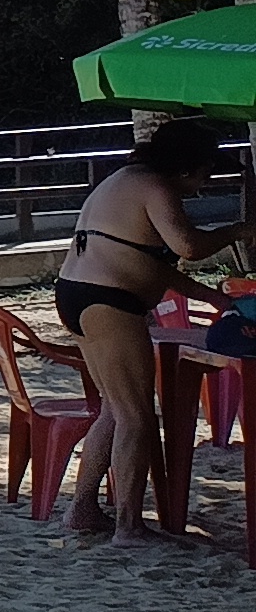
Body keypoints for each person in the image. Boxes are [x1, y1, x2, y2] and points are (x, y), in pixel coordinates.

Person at [56, 117, 236, 543]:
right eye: (207, 171)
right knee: (137, 415)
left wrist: (210, 297)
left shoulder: (125, 179)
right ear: (190, 166)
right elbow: (186, 247)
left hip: (78, 293)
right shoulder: (157, 187)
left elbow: (142, 258)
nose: (206, 182)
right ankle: (129, 526)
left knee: (115, 409)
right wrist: (237, 231)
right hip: (108, 302)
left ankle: (83, 509)